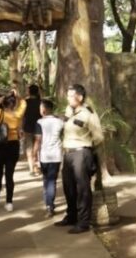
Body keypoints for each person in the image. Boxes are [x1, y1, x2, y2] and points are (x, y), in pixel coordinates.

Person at [55, 84, 104, 234]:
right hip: (68, 153)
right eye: (68, 95)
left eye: (71, 96)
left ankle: (84, 222)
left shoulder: (88, 113)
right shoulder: (70, 111)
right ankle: (71, 216)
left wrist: (88, 150)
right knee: (68, 186)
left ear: (80, 97)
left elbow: (98, 137)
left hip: (82, 153)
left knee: (83, 188)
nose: (68, 98)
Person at [32, 99, 64, 218]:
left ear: (44, 110)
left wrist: (34, 156)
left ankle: (49, 204)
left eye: (41, 108)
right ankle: (49, 204)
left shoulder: (40, 122)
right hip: (56, 156)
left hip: (44, 156)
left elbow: (38, 140)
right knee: (52, 180)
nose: (40, 110)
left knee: (46, 180)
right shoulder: (59, 122)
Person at [21, 84, 43, 176]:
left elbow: (22, 116)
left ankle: (31, 168)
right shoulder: (41, 102)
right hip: (40, 127)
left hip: (28, 128)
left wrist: (21, 127)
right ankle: (38, 166)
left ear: (29, 92)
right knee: (39, 148)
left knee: (29, 148)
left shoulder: (25, 102)